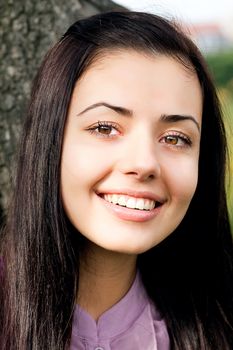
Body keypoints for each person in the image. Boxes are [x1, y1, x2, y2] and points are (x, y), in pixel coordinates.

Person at [0, 10, 232, 350]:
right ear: (50, 140)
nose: (143, 164)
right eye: (104, 128)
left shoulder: (217, 323)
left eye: (175, 138)